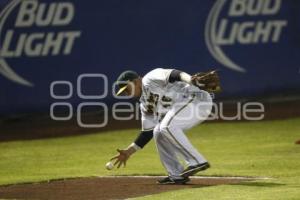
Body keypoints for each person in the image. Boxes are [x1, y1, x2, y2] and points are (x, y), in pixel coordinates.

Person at [111, 68, 214, 184]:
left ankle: (197, 161)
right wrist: (129, 151)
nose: (126, 93)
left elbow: (174, 74)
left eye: (126, 88)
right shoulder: (145, 105)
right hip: (188, 108)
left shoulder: (150, 78)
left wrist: (190, 79)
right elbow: (146, 133)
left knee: (166, 127)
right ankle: (176, 175)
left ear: (135, 81)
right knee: (158, 132)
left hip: (197, 99)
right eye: (123, 91)